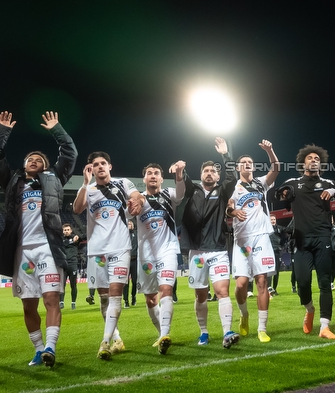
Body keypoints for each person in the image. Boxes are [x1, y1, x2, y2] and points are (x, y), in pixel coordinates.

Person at [0, 111, 77, 368]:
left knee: (51, 299)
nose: (34, 161)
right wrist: (2, 132)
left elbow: (69, 154)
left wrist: (57, 129)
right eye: (30, 159)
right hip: (22, 250)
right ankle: (38, 350)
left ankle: (50, 347)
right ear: (24, 165)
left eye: (39, 159)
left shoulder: (54, 179)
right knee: (28, 305)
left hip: (48, 248)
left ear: (45, 166)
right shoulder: (13, 181)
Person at [72, 152, 143, 360]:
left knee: (115, 295)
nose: (100, 166)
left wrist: (137, 201)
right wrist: (85, 183)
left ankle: (104, 342)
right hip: (97, 251)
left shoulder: (123, 183)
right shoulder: (88, 190)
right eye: (96, 164)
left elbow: (136, 195)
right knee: (104, 299)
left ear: (110, 166)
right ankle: (117, 339)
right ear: (91, 169)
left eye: (103, 163)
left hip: (120, 248)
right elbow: (77, 208)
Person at [276, 145, 335, 339]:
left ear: (321, 163)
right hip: (301, 240)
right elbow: (281, 197)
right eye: (310, 158)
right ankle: (309, 309)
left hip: (323, 237)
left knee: (325, 282)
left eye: (317, 158)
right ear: (303, 163)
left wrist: (333, 192)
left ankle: (325, 327)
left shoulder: (328, 183)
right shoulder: (292, 183)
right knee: (302, 282)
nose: (314, 160)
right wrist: (284, 196)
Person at [178, 138, 240, 348]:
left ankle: (227, 332)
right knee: (201, 295)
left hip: (218, 250)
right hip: (196, 252)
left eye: (213, 171)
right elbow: (182, 181)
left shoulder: (222, 192)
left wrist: (226, 155)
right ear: (201, 174)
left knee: (222, 291)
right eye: (206, 171)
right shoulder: (193, 190)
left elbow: (233, 177)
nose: (210, 173)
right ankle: (203, 333)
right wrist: (180, 169)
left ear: (218, 176)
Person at [227, 140, 280, 342]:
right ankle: (244, 315)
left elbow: (276, 168)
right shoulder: (233, 187)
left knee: (262, 281)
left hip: (261, 237)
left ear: (253, 166)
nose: (247, 164)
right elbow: (228, 207)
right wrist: (233, 212)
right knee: (241, 284)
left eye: (250, 162)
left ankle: (262, 328)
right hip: (241, 239)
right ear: (238, 168)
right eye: (244, 162)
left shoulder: (260, 183)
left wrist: (270, 150)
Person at [135, 161, 186, 354]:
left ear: (162, 179)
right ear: (144, 179)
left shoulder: (168, 194)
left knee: (166, 289)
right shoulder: (138, 199)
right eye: (149, 173)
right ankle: (161, 334)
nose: (153, 175)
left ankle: (165, 334)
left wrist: (179, 174)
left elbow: (181, 193)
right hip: (146, 254)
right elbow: (127, 214)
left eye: (156, 173)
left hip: (168, 249)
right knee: (150, 299)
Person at [60, 223, 81, 310]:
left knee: (73, 285)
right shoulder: (60, 239)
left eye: (68, 230)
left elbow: (82, 238)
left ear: (71, 230)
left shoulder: (75, 238)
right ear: (62, 231)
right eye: (65, 230)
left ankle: (73, 303)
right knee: (62, 285)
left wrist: (77, 237)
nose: (66, 231)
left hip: (73, 264)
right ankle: (61, 302)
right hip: (63, 264)